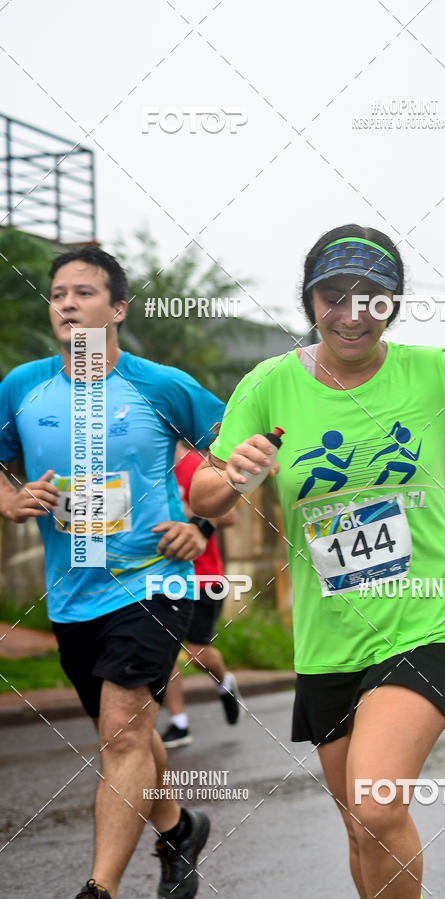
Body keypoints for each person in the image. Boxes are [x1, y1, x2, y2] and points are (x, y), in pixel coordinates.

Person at [188, 224, 445, 898]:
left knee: (375, 806)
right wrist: (235, 471)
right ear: (309, 301)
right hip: (327, 639)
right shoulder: (269, 384)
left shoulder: (431, 373)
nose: (352, 314)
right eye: (333, 297)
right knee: (361, 828)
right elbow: (205, 494)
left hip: (425, 622)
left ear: (394, 303)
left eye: (372, 298)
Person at [0, 247, 225, 899]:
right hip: (73, 593)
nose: (67, 304)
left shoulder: (163, 385)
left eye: (84, 293)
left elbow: (237, 454)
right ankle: (178, 828)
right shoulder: (21, 387)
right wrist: (10, 498)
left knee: (123, 731)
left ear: (118, 308)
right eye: (58, 294)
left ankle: (100, 888)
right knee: (125, 732)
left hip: (156, 579)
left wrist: (202, 524)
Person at [161, 441, 241, 749]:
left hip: (203, 577)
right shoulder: (148, 466)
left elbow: (230, 517)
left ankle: (225, 682)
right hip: (160, 576)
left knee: (196, 653)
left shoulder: (197, 464)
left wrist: (179, 510)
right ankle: (179, 723)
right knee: (163, 650)